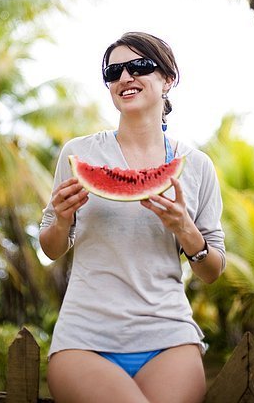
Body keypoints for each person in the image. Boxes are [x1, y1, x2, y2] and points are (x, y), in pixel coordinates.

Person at [39, 31, 225, 403]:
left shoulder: (197, 166)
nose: (125, 77)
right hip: (85, 336)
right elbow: (51, 248)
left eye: (139, 66)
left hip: (169, 335)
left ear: (168, 79)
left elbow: (212, 270)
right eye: (114, 72)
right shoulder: (80, 155)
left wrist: (186, 231)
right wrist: (61, 221)